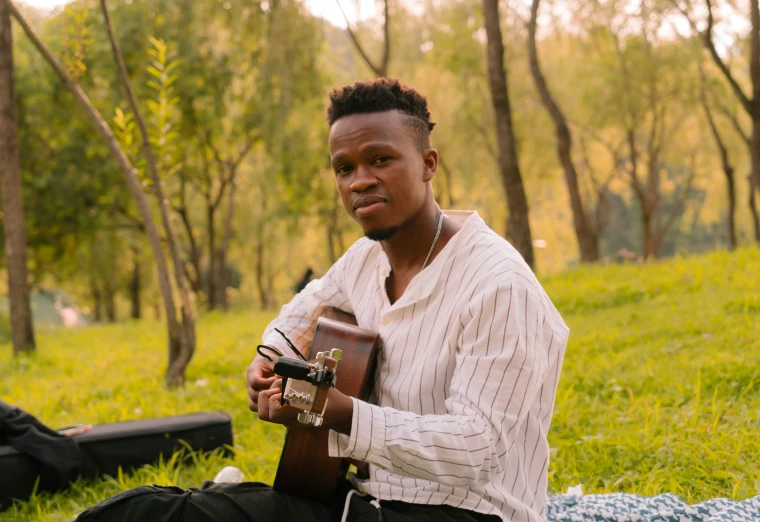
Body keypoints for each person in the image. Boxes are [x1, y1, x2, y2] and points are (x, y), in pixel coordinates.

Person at [74, 78, 568, 522]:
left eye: (380, 159)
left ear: (428, 165)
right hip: (361, 499)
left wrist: (340, 412)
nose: (359, 181)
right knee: (153, 513)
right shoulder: (364, 260)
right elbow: (298, 317)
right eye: (343, 168)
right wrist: (268, 360)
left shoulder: (499, 287)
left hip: (469, 515)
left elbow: (478, 448)